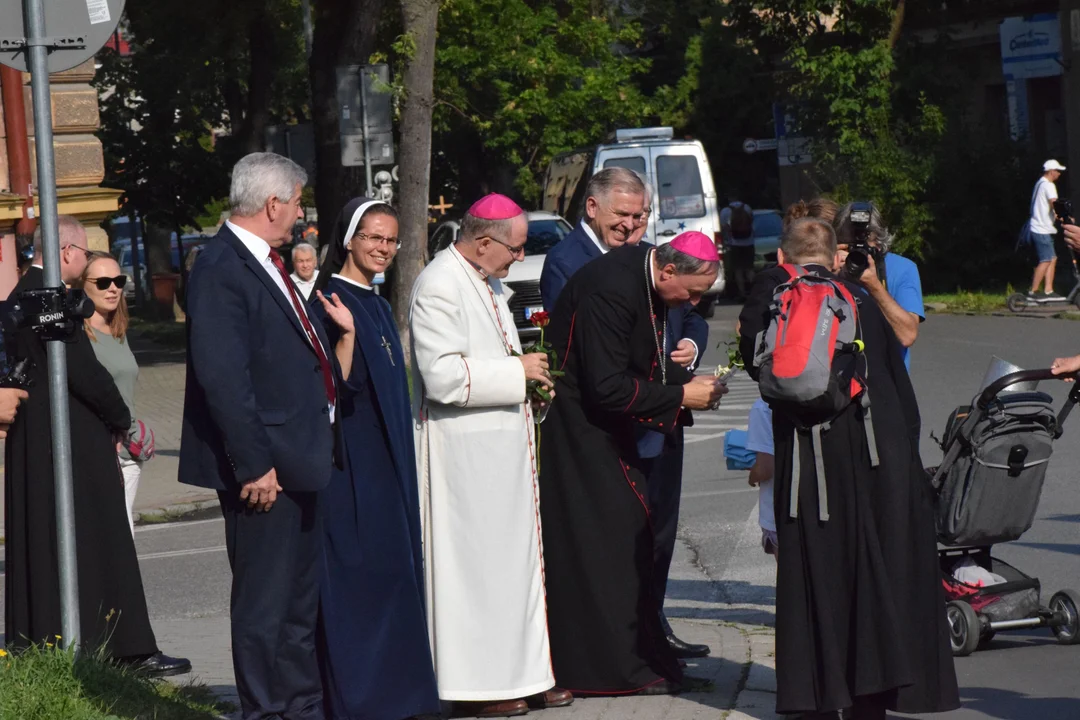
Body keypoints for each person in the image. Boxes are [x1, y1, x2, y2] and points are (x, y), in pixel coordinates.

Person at [738, 218, 958, 719]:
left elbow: (763, 371)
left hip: (805, 460)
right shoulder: (859, 296)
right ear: (834, 256)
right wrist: (872, 284)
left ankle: (813, 696)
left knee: (814, 573)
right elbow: (904, 339)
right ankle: (872, 697)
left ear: (781, 259)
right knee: (871, 566)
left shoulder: (775, 299)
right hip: (872, 452)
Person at [180, 153, 349, 720]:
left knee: (299, 604)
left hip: (299, 456)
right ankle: (267, 709)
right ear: (273, 203)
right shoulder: (221, 266)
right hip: (265, 468)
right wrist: (253, 463)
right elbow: (224, 378)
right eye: (298, 201)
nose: (301, 213)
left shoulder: (264, 260)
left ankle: (301, 704)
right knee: (265, 604)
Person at [539, 233, 728, 695]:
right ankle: (611, 670)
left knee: (632, 540)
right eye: (693, 291)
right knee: (615, 545)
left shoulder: (647, 275)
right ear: (667, 272)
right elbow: (606, 387)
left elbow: (642, 362)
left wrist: (685, 379)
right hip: (580, 432)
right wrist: (683, 395)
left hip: (609, 426)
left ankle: (644, 661)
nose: (696, 302)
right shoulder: (612, 289)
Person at [5, 216, 188, 675]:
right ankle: (129, 649)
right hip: (72, 437)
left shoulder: (23, 293)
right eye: (85, 253)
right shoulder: (46, 298)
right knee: (107, 538)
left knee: (48, 541)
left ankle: (47, 644)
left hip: (39, 436)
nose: (86, 259)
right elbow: (82, 370)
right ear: (66, 252)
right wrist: (123, 420)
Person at [410, 194, 569, 717]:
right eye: (517, 248)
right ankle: (477, 688)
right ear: (483, 242)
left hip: (501, 453)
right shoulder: (439, 285)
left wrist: (529, 382)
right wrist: (516, 374)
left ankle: (525, 674)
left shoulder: (485, 279)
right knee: (478, 575)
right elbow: (443, 378)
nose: (520, 258)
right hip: (466, 460)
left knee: (517, 570)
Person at [308, 198, 440, 720]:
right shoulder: (329, 300)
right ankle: (365, 701)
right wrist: (346, 337)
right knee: (365, 578)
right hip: (353, 466)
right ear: (348, 239)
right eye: (372, 238)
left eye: (390, 240)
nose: (383, 249)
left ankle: (405, 696)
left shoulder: (380, 305)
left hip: (391, 465)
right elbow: (331, 392)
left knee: (396, 575)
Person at [74, 252, 151, 536]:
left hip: (130, 451)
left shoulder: (118, 329)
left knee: (122, 530)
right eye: (103, 281)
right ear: (83, 285)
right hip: (98, 449)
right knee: (111, 535)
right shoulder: (77, 337)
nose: (113, 288)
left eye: (118, 280)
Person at [833, 202, 924, 370]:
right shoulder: (829, 269)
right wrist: (827, 273)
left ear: (880, 243)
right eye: (849, 245)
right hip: (836, 386)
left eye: (864, 243)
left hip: (883, 386)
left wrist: (874, 285)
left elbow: (908, 335)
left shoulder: (902, 269)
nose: (857, 251)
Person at [539, 167, 647, 309]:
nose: (630, 225)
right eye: (622, 214)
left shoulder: (642, 256)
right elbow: (561, 328)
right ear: (592, 207)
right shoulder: (562, 262)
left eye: (636, 216)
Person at [1027, 160, 1066, 301]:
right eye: (1058, 171)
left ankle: (1048, 291)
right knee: (1045, 259)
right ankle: (1034, 292)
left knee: (1052, 258)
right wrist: (1065, 218)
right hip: (1041, 228)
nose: (1059, 174)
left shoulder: (1040, 183)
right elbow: (1054, 204)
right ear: (1051, 171)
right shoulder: (1049, 185)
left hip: (1041, 227)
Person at [745, 398, 777, 560]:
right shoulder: (827, 393)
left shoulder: (764, 406)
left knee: (792, 579)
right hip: (825, 505)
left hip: (779, 509)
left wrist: (753, 476)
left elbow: (765, 468)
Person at [720, 200, 755, 298]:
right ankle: (753, 290)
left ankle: (742, 292)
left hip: (734, 244)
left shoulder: (725, 211)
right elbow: (752, 222)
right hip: (749, 243)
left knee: (738, 269)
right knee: (749, 268)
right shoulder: (747, 207)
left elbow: (724, 227)